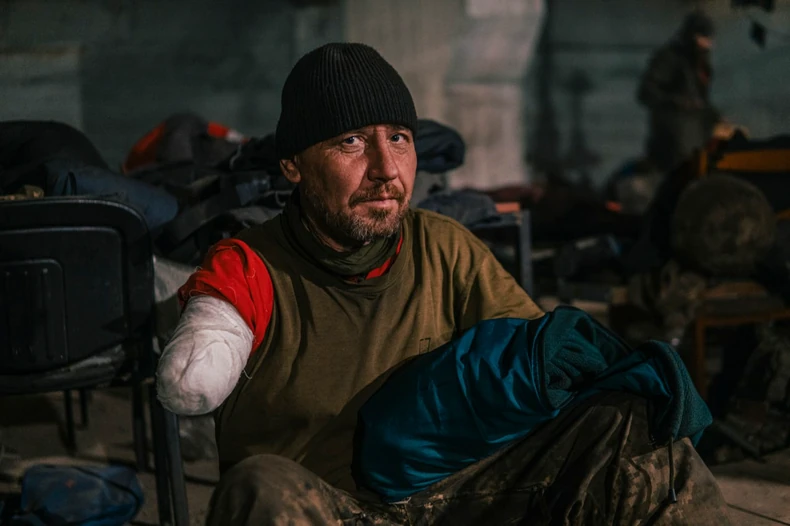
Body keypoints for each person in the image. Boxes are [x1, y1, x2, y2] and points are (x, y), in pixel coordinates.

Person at [156, 43, 731, 525]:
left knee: (634, 429)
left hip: (454, 500)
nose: (386, 168)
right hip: (333, 511)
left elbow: (535, 369)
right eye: (351, 141)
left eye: (399, 138)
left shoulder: (444, 246)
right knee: (258, 485)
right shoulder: (253, 264)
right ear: (294, 166)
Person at [638, 10, 721, 171]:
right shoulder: (670, 58)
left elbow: (701, 99)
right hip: (673, 135)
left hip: (696, 131)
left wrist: (716, 116)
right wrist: (676, 102)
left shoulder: (699, 62)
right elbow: (646, 92)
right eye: (703, 38)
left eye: (709, 39)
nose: (707, 44)